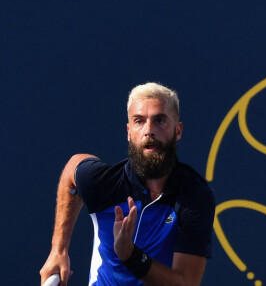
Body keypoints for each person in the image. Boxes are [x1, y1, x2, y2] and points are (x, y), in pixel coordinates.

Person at [40, 82, 215, 286]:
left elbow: (185, 283)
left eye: (160, 120)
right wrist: (59, 250)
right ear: (129, 132)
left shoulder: (194, 196)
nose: (149, 130)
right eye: (139, 121)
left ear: (178, 130)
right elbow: (73, 168)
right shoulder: (104, 185)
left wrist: (131, 255)